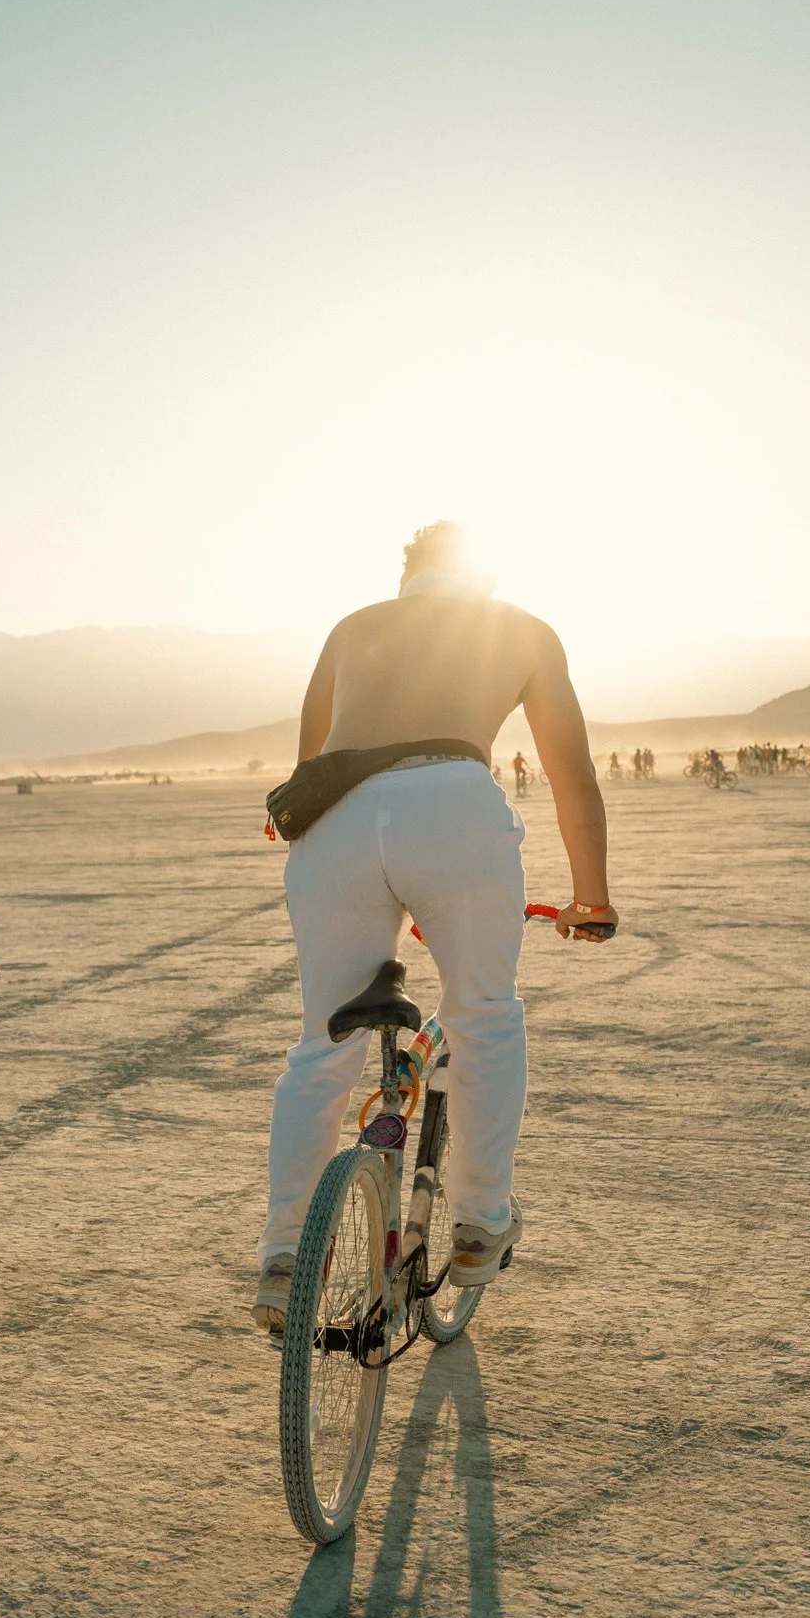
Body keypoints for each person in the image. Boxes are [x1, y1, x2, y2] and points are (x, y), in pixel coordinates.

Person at [252, 522, 616, 1332]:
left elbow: (305, 764)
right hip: (454, 805)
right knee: (484, 1012)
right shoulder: (520, 630)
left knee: (323, 1044)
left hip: (338, 820)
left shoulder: (352, 627)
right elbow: (572, 774)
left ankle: (283, 1257)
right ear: (481, 576)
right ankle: (480, 1222)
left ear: (408, 570)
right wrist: (592, 896)